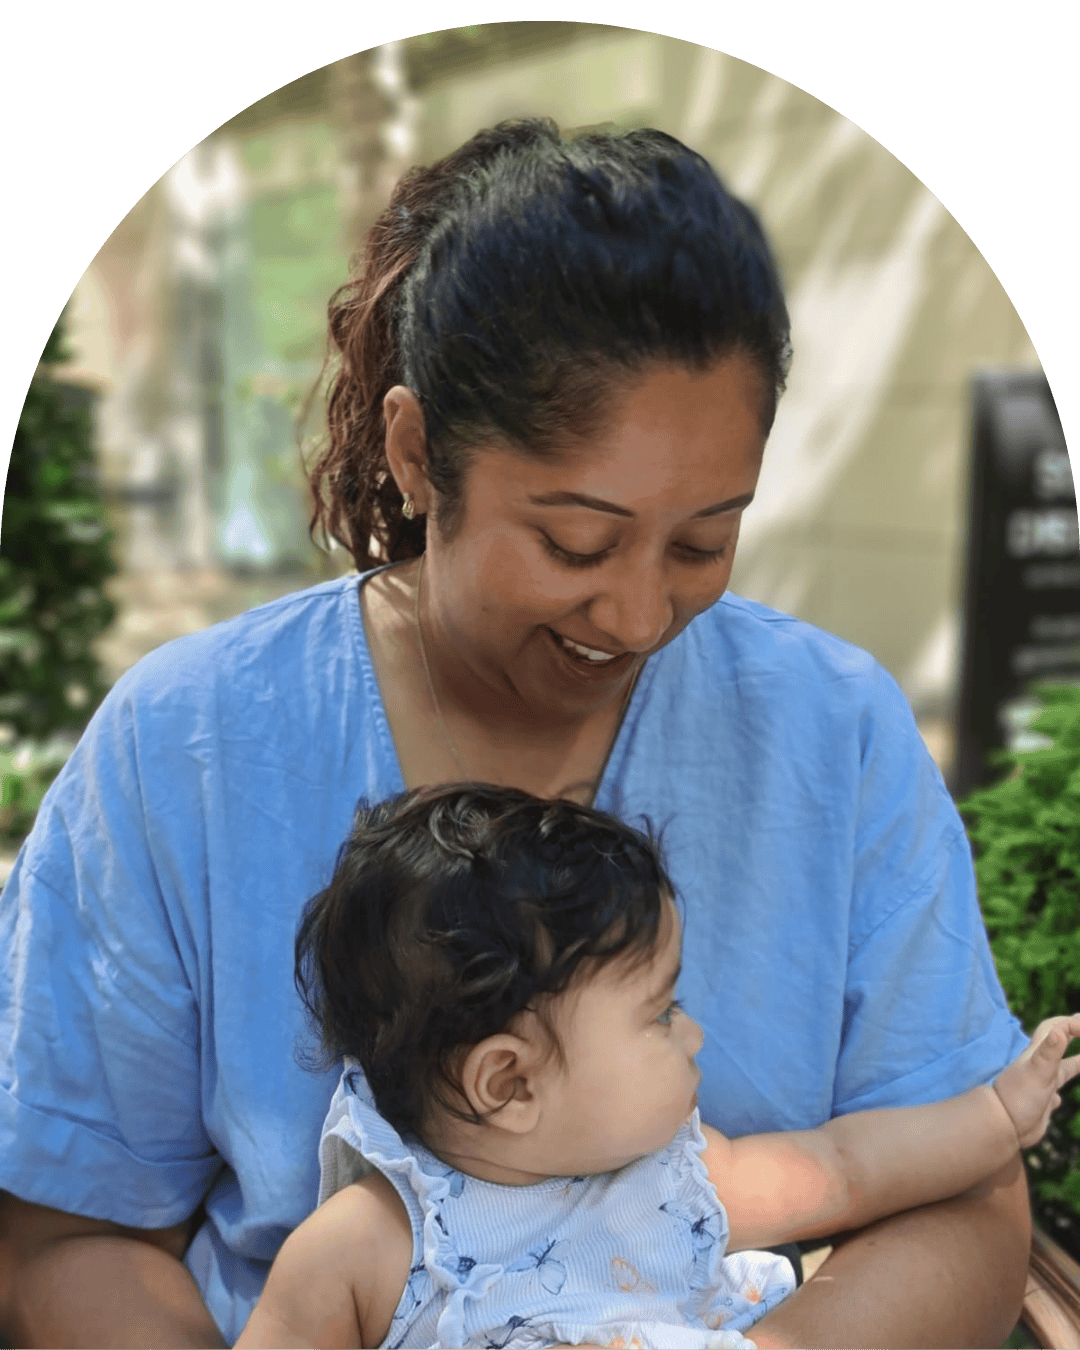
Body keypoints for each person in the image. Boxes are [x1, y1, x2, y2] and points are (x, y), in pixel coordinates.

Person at [0, 116, 1037, 1350]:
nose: (644, 613)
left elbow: (964, 1206)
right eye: (576, 543)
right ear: (417, 453)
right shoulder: (186, 749)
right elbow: (70, 1232)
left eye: (705, 540)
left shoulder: (838, 733)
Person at [233, 784, 1080, 1350]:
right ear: (510, 1082)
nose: (694, 1034)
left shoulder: (678, 1178)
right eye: (661, 1013)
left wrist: (998, 1118)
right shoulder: (372, 1246)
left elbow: (848, 1170)